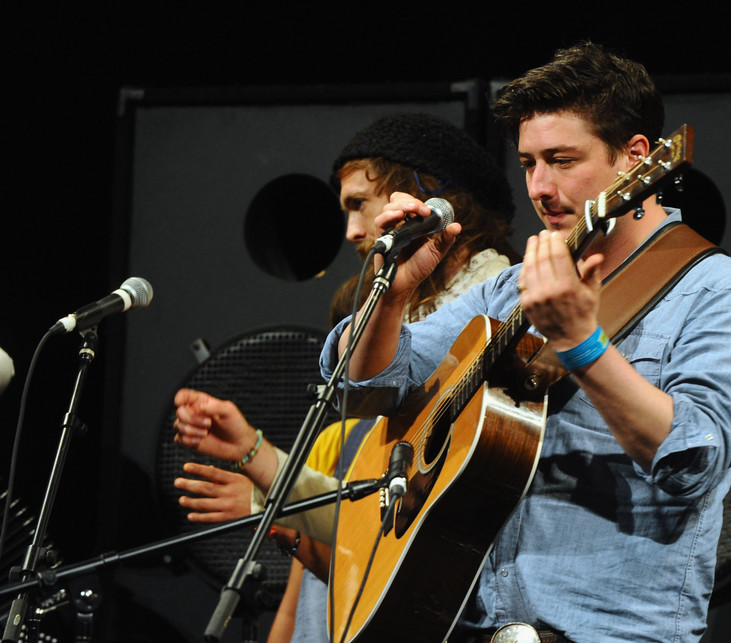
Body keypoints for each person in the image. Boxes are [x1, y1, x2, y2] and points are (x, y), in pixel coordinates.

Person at [176, 42, 731, 642]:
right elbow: (367, 386)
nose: (540, 188)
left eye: (563, 160)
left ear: (635, 157)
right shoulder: (506, 291)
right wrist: (393, 293)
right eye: (528, 163)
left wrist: (580, 343)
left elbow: (694, 460)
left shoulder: (721, 292)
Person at [172, 112, 520, 642]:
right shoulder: (387, 320)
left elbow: (415, 524)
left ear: (426, 191)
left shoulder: (503, 312)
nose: (353, 232)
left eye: (359, 203)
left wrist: (262, 483)